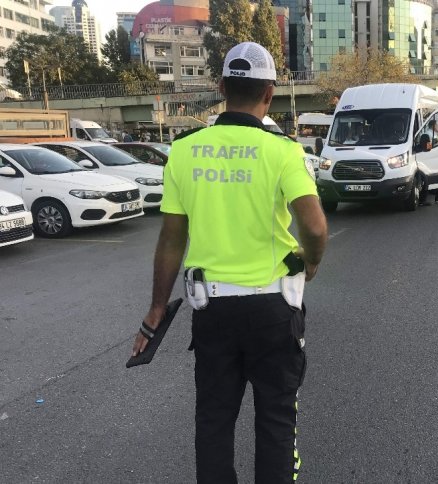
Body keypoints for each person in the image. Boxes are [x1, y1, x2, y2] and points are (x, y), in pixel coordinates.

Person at [130, 41, 329, 483]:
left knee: (215, 422)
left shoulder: (184, 150)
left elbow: (170, 240)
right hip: (274, 311)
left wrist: (156, 310)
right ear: (269, 94)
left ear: (221, 87)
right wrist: (310, 262)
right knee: (276, 422)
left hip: (213, 311)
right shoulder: (282, 151)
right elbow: (314, 228)